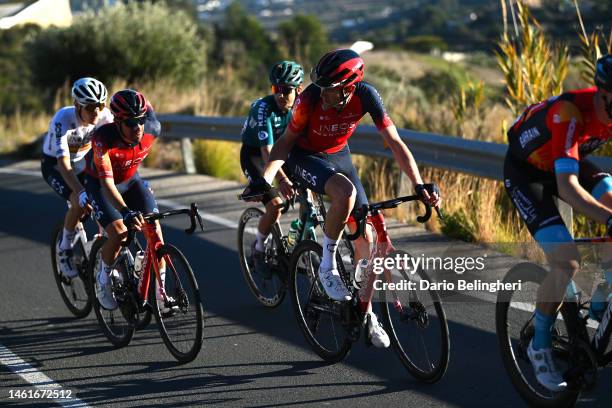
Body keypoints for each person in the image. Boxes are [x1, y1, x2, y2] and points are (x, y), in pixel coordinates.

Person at [243, 49, 441, 348]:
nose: (323, 95)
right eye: (320, 88)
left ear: (349, 88)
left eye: (330, 90)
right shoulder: (308, 99)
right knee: (345, 193)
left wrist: (419, 183)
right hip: (304, 156)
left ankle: (366, 312)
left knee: (367, 242)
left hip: (339, 156)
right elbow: (284, 144)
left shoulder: (367, 96)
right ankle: (327, 265)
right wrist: (266, 179)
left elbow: (394, 142)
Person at [504, 54, 612, 391]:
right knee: (566, 262)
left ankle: (602, 294)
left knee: (610, 191)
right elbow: (567, 187)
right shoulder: (569, 113)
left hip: (566, 161)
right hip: (528, 174)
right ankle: (539, 345)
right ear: (604, 94)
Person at [83, 89, 164, 311]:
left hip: (131, 180)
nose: (137, 127)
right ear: (118, 121)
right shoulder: (103, 140)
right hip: (101, 185)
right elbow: (107, 185)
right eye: (130, 122)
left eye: (140, 120)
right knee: (120, 233)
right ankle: (103, 279)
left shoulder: (152, 129)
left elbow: (149, 110)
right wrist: (126, 211)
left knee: (155, 232)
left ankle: (161, 293)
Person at [41, 77, 112, 278]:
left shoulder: (104, 116)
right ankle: (64, 247)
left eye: (100, 105)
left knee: (102, 197)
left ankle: (100, 247)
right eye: (90, 107)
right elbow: (63, 164)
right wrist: (80, 191)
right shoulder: (63, 119)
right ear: (77, 105)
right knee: (77, 202)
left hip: (81, 162)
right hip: (55, 165)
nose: (96, 112)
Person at [240, 60, 304, 277]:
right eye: (276, 89)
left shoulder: (301, 106)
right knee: (275, 206)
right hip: (255, 156)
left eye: (286, 90)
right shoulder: (263, 109)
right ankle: (258, 248)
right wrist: (283, 180)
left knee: (308, 195)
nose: (281, 95)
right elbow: (267, 153)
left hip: (283, 153)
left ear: (298, 90)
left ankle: (300, 244)